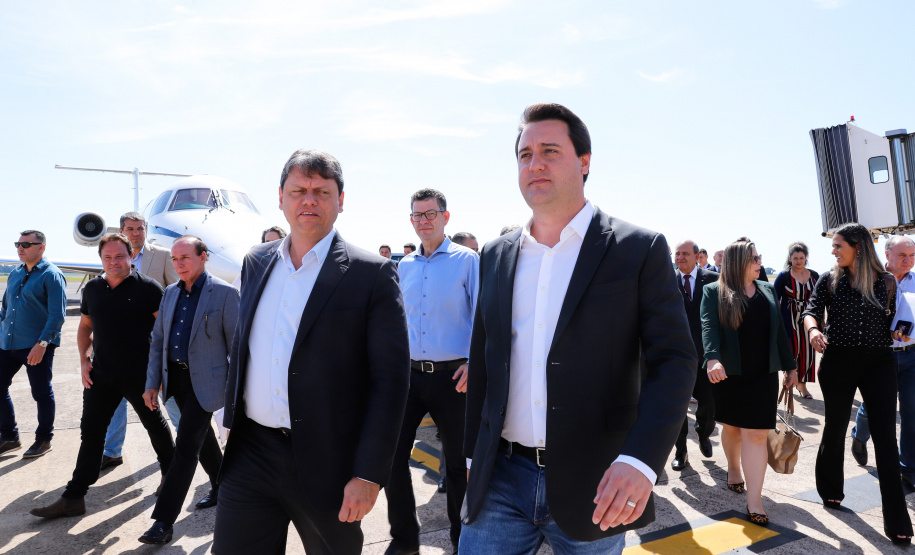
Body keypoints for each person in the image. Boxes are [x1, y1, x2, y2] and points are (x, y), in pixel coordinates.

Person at [461, 103, 696, 554]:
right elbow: (485, 359)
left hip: (598, 482)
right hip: (500, 479)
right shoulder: (495, 254)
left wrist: (641, 461)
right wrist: (473, 454)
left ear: (584, 162)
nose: (536, 163)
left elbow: (675, 360)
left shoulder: (638, 249)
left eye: (550, 150)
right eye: (525, 154)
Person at [213, 149, 410, 554]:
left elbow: (390, 383)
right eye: (299, 190)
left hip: (329, 462)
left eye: (322, 191)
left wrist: (369, 475)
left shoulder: (371, 273)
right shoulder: (257, 261)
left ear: (341, 200)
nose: (309, 200)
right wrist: (228, 414)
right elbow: (245, 345)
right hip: (250, 453)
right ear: (281, 197)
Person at [30, 234, 175, 519]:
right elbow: (85, 325)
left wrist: (157, 375)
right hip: (102, 374)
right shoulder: (94, 289)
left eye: (119, 256)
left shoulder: (149, 289)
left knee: (155, 426)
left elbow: (165, 334)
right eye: (107, 257)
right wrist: (84, 359)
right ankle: (74, 496)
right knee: (92, 433)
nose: (114, 262)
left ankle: (171, 478)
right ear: (101, 259)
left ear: (130, 256)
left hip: (140, 375)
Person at [803, 222, 913, 545]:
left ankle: (897, 521)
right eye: (834, 246)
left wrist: (899, 331)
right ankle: (830, 489)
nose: (834, 251)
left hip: (879, 363)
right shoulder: (828, 279)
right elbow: (810, 311)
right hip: (837, 361)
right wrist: (812, 330)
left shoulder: (887, 282)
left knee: (885, 440)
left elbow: (896, 322)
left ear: (858, 247)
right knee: (835, 428)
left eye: (839, 246)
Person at [385, 189, 478, 555]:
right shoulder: (403, 266)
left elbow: (485, 318)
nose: (423, 221)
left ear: (445, 217)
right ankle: (405, 538)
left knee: (457, 466)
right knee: (391, 458)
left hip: (455, 378)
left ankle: (461, 540)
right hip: (409, 377)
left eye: (430, 214)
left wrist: (475, 363)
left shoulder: (467, 261)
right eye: (417, 216)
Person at [138, 236, 240, 544]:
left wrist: (238, 393)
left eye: (185, 258)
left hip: (207, 382)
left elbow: (238, 347)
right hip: (176, 381)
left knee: (184, 448)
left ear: (203, 257)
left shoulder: (224, 293)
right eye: (175, 259)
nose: (179, 264)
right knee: (201, 436)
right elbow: (158, 340)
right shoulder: (169, 293)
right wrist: (152, 382)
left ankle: (163, 522)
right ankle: (222, 486)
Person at [701, 237, 797, 527]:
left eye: (759, 258)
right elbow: (709, 326)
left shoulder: (767, 289)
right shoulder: (713, 291)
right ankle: (733, 467)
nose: (759, 262)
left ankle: (754, 500)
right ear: (739, 262)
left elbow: (779, 331)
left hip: (763, 375)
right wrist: (712, 358)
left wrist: (790, 367)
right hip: (729, 375)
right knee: (731, 427)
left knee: (755, 434)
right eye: (755, 258)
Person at [101, 212, 181, 471]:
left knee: (167, 401)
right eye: (130, 229)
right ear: (122, 231)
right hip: (118, 348)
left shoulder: (163, 254)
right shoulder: (114, 259)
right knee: (115, 404)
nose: (135, 233)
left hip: (154, 344)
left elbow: (175, 293)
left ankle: (188, 444)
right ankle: (112, 451)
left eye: (140, 228)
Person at [852, 235, 915, 478]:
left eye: (911, 256)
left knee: (911, 412)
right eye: (902, 255)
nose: (908, 260)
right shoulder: (872, 280)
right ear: (887, 255)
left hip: (911, 356)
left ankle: (908, 468)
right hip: (881, 355)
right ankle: (859, 435)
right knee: (874, 406)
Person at [0, 230, 67, 458]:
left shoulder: (52, 275)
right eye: (18, 243)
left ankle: (44, 439)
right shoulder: (15, 274)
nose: (21, 248)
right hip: (8, 344)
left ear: (41, 247)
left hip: (36, 346)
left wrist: (42, 343)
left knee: (40, 392)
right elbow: (5, 309)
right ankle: (9, 437)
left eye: (27, 244)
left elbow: (57, 315)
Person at [670, 240, 718, 472]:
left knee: (708, 403)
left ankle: (704, 433)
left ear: (697, 256)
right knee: (678, 407)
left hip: (705, 355)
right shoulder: (666, 281)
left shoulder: (712, 279)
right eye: (677, 253)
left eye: (685, 253)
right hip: (676, 356)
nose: (680, 257)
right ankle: (681, 451)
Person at [773, 242, 820, 399]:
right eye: (795, 258)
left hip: (809, 317)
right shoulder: (784, 276)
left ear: (806, 258)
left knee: (807, 352)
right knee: (792, 350)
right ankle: (788, 383)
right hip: (789, 318)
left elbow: (820, 298)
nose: (799, 261)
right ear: (790, 259)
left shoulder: (814, 275)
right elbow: (774, 297)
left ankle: (802, 385)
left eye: (801, 258)